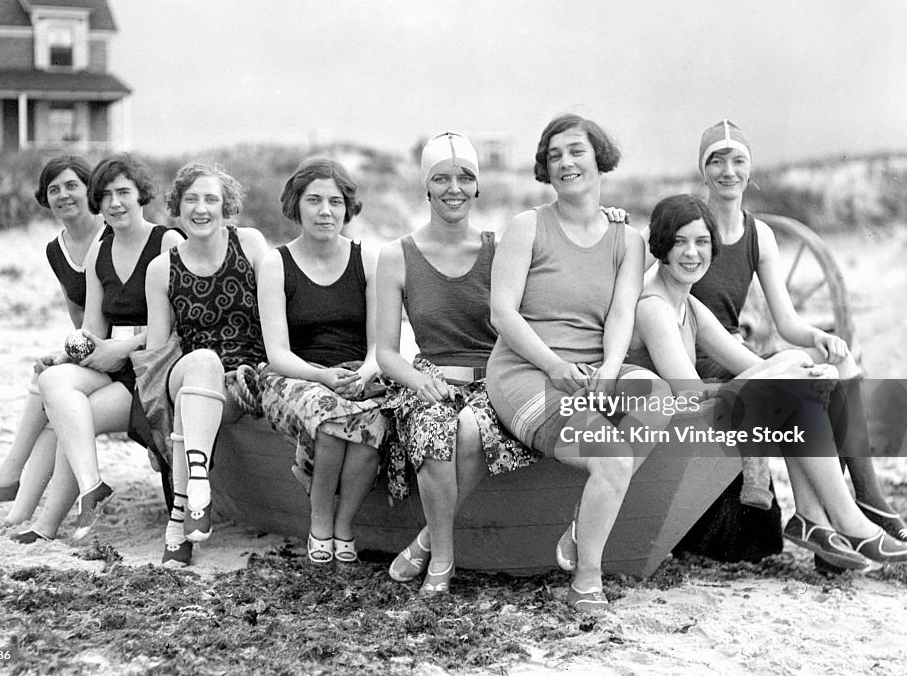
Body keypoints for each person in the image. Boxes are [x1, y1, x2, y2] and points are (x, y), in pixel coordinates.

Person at [677, 120, 907, 563]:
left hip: (738, 353)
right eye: (715, 161)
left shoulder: (760, 235)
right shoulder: (689, 228)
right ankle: (830, 517)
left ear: (750, 169)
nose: (728, 171)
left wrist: (820, 337)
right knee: (798, 380)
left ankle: (863, 501)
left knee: (839, 363)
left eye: (738, 160)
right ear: (703, 171)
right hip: (700, 360)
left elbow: (787, 322)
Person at [627, 194, 907, 569]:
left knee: (796, 374)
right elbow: (689, 393)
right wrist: (787, 372)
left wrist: (795, 369)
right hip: (673, 432)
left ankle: (816, 518)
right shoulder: (654, 307)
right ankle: (838, 520)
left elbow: (749, 364)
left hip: (698, 421)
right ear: (660, 246)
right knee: (792, 378)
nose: (692, 253)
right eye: (679, 241)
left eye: (702, 242)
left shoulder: (686, 303)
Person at [487, 114, 669, 612]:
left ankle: (578, 529)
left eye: (576, 151)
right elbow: (501, 314)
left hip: (592, 369)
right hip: (526, 372)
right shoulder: (527, 227)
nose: (566, 162)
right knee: (611, 455)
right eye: (554, 156)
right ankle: (587, 577)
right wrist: (552, 365)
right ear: (545, 169)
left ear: (598, 157)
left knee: (659, 399)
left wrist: (610, 368)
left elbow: (620, 313)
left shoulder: (626, 239)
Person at [376, 131, 539, 593]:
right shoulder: (396, 256)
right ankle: (444, 563)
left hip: (497, 379)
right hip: (427, 378)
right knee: (434, 429)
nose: (454, 188)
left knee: (469, 430)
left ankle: (427, 540)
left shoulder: (498, 249)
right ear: (426, 187)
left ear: (477, 186)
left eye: (465, 178)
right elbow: (386, 352)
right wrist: (417, 381)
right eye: (442, 178)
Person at [34, 155, 183, 541]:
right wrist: (68, 354)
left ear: (140, 196)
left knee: (74, 416)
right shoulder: (100, 252)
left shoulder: (167, 241)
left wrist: (123, 349)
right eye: (106, 196)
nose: (115, 203)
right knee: (54, 381)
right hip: (122, 362)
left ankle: (48, 524)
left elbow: (184, 322)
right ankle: (90, 487)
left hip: (158, 364)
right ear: (97, 204)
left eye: (123, 193)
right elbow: (93, 328)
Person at [0, 156, 105, 534]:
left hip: (124, 352)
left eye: (72, 185)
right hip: (93, 346)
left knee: (50, 390)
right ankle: (19, 510)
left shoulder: (113, 234)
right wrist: (68, 355)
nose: (63, 196)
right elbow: (80, 318)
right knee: (48, 380)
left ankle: (9, 480)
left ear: (91, 189)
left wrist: (75, 358)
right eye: (54, 189)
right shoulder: (56, 249)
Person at [257, 156, 388, 565]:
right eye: (314, 200)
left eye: (335, 201)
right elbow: (277, 352)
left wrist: (365, 372)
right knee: (331, 419)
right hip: (295, 376)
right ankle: (320, 522)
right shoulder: (276, 263)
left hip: (358, 374)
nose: (325, 211)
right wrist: (322, 378)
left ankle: (344, 527)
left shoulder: (368, 259)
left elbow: (381, 344)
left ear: (348, 208)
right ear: (296, 204)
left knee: (375, 422)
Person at [140, 163, 268, 567]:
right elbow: (158, 355)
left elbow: (279, 313)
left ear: (226, 206)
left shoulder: (249, 245)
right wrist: (154, 418)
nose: (201, 208)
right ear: (176, 208)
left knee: (195, 405)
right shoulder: (162, 269)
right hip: (188, 372)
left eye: (211, 199)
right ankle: (199, 484)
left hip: (241, 381)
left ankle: (178, 522)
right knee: (202, 362)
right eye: (191, 199)